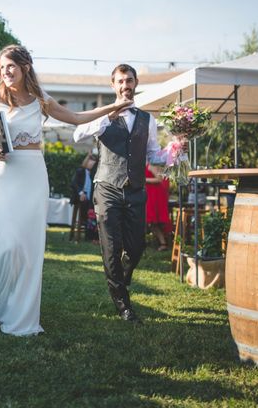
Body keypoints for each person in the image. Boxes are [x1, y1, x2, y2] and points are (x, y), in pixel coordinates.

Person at [0, 45, 131, 336]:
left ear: (24, 66)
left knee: (29, 247)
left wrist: (113, 106)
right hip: (4, 175)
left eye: (10, 66)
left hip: (34, 174)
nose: (5, 72)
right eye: (1, 68)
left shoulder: (40, 100)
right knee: (8, 245)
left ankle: (20, 313)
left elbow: (76, 118)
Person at [73, 63, 171, 323]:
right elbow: (77, 134)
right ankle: (123, 304)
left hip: (136, 190)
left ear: (135, 83)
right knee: (112, 248)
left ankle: (121, 281)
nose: (125, 86)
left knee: (137, 247)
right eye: (120, 81)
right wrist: (107, 116)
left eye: (129, 80)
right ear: (113, 85)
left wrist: (173, 151)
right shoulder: (103, 115)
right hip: (107, 188)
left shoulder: (147, 119)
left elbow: (152, 155)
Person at [69, 153, 98, 241]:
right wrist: (80, 193)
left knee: (95, 206)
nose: (91, 164)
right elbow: (74, 183)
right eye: (90, 161)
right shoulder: (80, 170)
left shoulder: (93, 173)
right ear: (86, 161)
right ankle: (86, 226)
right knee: (85, 203)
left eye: (93, 162)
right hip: (80, 196)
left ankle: (91, 233)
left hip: (89, 197)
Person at [145, 163, 172, 251]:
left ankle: (164, 243)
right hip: (150, 194)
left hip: (155, 195)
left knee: (154, 220)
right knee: (152, 221)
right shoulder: (147, 164)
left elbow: (159, 179)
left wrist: (143, 180)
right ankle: (162, 242)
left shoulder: (151, 165)